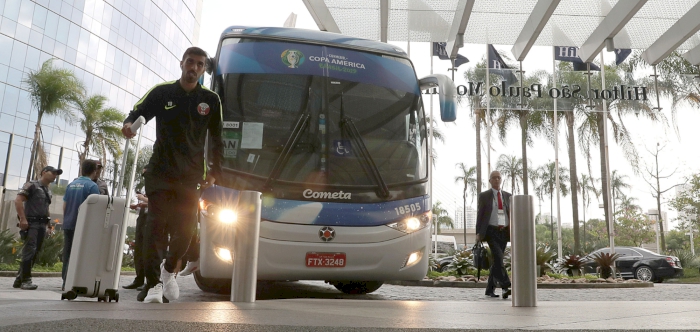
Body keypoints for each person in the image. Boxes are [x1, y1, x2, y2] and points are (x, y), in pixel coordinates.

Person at [122, 46, 223, 303]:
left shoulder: (210, 100)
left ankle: (169, 270)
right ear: (182, 63)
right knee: (156, 225)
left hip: (191, 175)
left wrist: (215, 172)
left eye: (200, 65)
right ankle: (154, 284)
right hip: (160, 172)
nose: (195, 68)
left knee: (187, 229)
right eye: (191, 62)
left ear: (203, 69)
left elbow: (218, 139)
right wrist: (128, 124)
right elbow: (138, 111)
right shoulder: (162, 92)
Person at [13, 166, 62, 290]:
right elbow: (18, 200)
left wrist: (49, 225)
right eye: (53, 173)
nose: (55, 175)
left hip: (42, 224)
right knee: (29, 250)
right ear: (44, 172)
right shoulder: (32, 185)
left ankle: (20, 278)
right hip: (32, 223)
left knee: (35, 251)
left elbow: (46, 209)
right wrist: (23, 219)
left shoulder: (48, 190)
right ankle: (26, 280)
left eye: (57, 174)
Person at [61, 160, 100, 289]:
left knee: (67, 253)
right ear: (94, 171)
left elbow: (65, 206)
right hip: (83, 226)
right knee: (80, 254)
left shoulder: (71, 184)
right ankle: (75, 282)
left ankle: (65, 281)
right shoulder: (92, 186)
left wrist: (67, 219)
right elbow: (95, 209)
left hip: (68, 223)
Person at [475, 170, 512, 299]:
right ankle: (506, 285)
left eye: (499, 178)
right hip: (491, 231)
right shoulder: (484, 196)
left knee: (497, 260)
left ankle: (489, 289)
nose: (496, 180)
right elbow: (480, 215)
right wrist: (478, 232)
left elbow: (511, 214)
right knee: (498, 258)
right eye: (494, 178)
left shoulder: (508, 196)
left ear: (501, 180)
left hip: (504, 232)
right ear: (490, 181)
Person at [123, 188, 148, 290]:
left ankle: (150, 281)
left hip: (151, 220)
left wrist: (143, 199)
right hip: (142, 219)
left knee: (148, 251)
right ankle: (139, 279)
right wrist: (138, 206)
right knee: (138, 250)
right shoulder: (145, 187)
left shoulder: (159, 184)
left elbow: (158, 202)